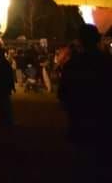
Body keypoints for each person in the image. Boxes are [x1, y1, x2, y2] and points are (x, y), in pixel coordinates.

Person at [57, 24, 112, 175]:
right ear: (98, 39)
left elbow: (63, 92)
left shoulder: (73, 64)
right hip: (102, 116)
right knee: (100, 156)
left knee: (82, 157)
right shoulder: (107, 62)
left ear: (80, 40)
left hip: (80, 115)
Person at [0, 44, 15, 128]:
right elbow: (10, 75)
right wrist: (12, 86)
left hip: (2, 87)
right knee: (5, 105)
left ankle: (7, 121)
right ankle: (5, 120)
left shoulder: (0, 63)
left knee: (4, 105)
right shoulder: (5, 63)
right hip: (5, 87)